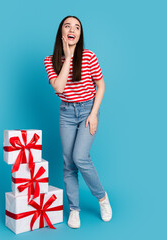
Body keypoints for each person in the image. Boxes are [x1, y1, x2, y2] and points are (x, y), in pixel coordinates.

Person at [44, 15, 112, 229]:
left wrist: (93, 114)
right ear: (61, 33)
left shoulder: (89, 57)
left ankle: (102, 198)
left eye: (77, 27)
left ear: (80, 34)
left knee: (80, 157)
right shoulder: (50, 60)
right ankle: (74, 209)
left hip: (87, 111)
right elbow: (59, 88)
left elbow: (100, 86)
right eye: (68, 26)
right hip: (66, 112)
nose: (72, 29)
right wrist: (69, 55)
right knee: (68, 163)